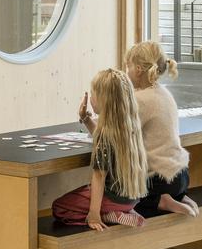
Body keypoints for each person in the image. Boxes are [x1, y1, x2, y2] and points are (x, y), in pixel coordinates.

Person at [107, 40, 201, 219]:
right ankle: (179, 197)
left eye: (128, 67)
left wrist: (91, 118)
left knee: (119, 197)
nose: (126, 72)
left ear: (137, 70)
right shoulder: (164, 93)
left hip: (158, 181)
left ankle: (161, 201)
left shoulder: (139, 99)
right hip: (181, 176)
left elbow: (115, 134)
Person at [53, 69, 148, 230]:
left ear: (103, 100)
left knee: (59, 207)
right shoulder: (129, 127)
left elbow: (99, 176)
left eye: (93, 94)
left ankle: (109, 215)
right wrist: (86, 118)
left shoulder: (106, 136)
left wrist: (94, 213)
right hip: (131, 199)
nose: (91, 99)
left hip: (112, 199)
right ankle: (123, 212)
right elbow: (102, 137)